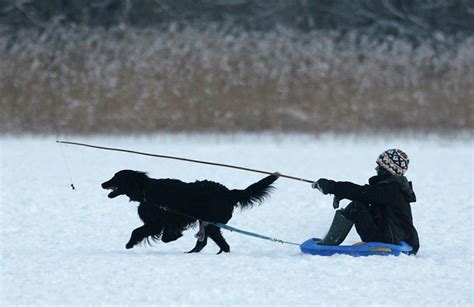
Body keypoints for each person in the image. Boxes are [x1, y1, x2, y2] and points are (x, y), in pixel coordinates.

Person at [312, 149, 419, 255]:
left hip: (390, 239)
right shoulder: (395, 188)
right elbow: (367, 196)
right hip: (396, 236)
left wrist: (333, 187)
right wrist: (342, 192)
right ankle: (330, 240)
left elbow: (362, 192)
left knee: (356, 207)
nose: (376, 168)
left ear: (388, 169)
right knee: (361, 203)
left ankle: (328, 243)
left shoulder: (391, 189)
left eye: (380, 166)